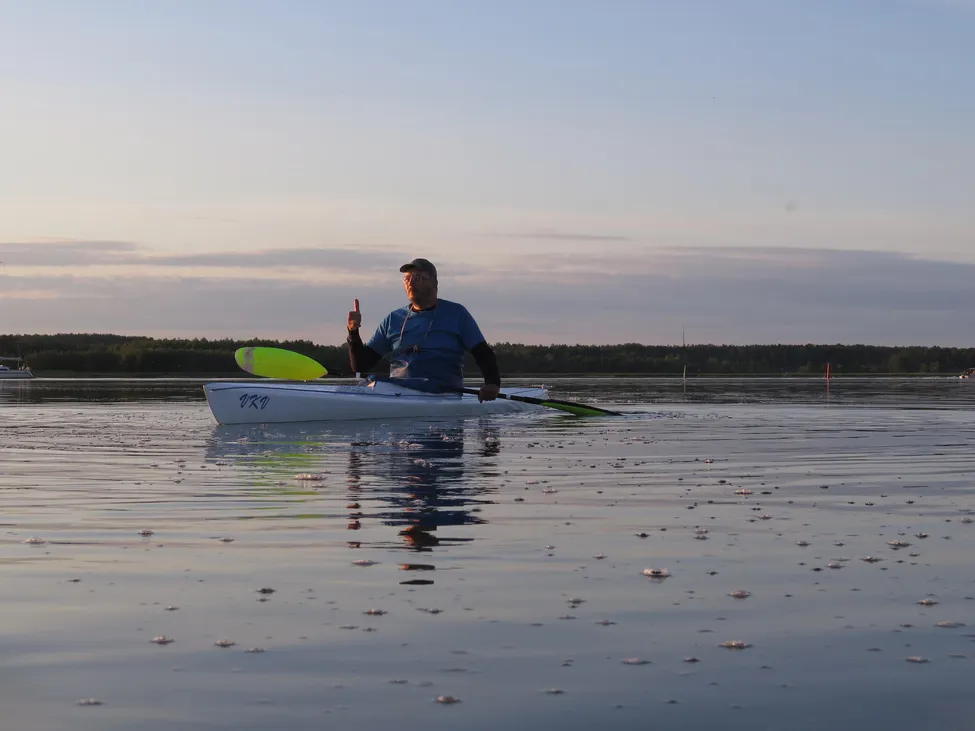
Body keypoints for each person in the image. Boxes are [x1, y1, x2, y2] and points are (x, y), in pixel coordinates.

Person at [346, 258, 501, 402]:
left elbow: (483, 354)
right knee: (368, 385)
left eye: (418, 278)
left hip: (442, 393)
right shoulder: (393, 319)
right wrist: (353, 332)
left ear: (434, 284)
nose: (411, 283)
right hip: (398, 392)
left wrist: (492, 384)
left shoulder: (457, 314)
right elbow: (361, 366)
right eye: (407, 279)